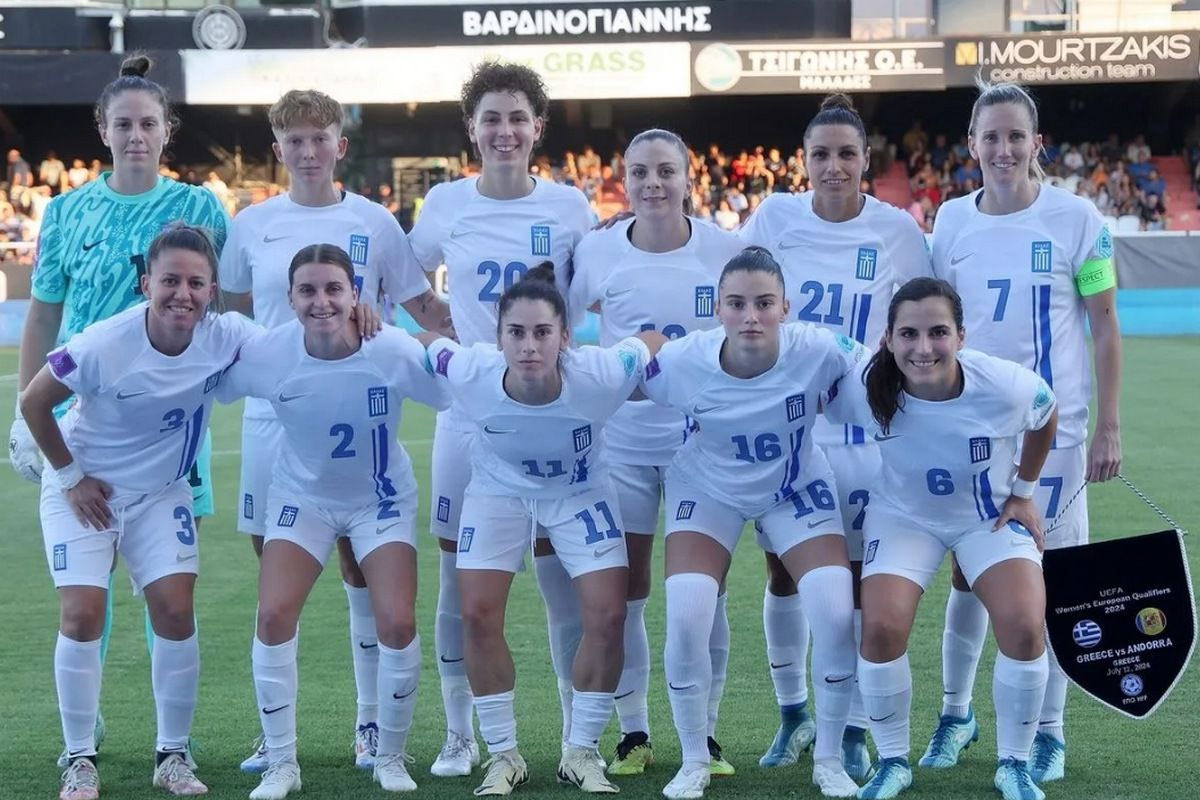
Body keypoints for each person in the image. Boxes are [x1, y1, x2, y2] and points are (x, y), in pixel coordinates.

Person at [219, 88, 452, 774]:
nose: (308, 151)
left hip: (353, 408)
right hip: (274, 416)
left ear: (340, 145)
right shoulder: (252, 224)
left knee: (360, 566)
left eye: (320, 138)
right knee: (276, 573)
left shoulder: (373, 222)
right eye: (295, 140)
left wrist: (495, 341)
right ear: (278, 149)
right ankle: (274, 735)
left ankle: (370, 722)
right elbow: (228, 316)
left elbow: (421, 305)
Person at [7, 55, 230, 768]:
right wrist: (25, 407)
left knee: (168, 588)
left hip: (172, 426)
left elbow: (227, 301)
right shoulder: (67, 211)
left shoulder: (200, 208)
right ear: (103, 130)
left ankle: (172, 742)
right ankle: (87, 725)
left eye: (149, 124)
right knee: (87, 589)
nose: (137, 136)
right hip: (83, 422)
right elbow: (44, 315)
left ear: (167, 131)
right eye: (124, 124)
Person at [927, 81, 1121, 786]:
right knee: (967, 574)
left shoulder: (1077, 217)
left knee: (1053, 581)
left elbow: (1104, 323)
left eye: (1016, 136)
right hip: (973, 432)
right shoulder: (950, 221)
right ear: (971, 144)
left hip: (1056, 436)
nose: (1003, 149)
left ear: (1037, 143)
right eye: (991, 136)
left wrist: (1108, 426)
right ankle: (956, 714)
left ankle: (1049, 732)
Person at [19, 224, 257, 800]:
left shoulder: (227, 335)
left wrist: (357, 318)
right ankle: (80, 758)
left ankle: (172, 755)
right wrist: (71, 478)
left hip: (161, 493)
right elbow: (33, 402)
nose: (183, 294)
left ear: (213, 289)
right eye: (170, 280)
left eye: (196, 283)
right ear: (147, 283)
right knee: (82, 613)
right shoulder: (105, 342)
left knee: (175, 609)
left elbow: (296, 347)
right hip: (86, 488)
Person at [406, 61, 594, 778]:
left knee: (559, 575)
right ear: (472, 128)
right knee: (458, 576)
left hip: (548, 415)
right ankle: (461, 735)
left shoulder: (570, 207)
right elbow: (404, 280)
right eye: (492, 118)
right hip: (469, 413)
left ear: (538, 127)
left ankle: (577, 739)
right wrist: (447, 328)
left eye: (518, 117)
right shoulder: (446, 204)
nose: (505, 131)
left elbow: (589, 296)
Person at [737, 93, 931, 778]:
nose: (834, 166)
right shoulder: (774, 219)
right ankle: (793, 711)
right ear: (804, 160)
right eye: (821, 154)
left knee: (851, 580)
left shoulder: (898, 232)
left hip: (868, 434)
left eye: (847, 153)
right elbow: (734, 290)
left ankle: (849, 726)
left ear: (866, 159)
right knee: (782, 571)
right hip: (792, 431)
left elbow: (924, 321)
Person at [418, 265, 657, 796]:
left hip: (580, 492)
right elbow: (427, 344)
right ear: (498, 338)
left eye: (543, 332)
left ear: (565, 337)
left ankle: (582, 751)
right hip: (497, 493)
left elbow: (649, 343)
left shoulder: (598, 373)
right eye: (517, 333)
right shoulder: (472, 370)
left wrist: (664, 380)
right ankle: (503, 755)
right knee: (476, 614)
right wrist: (366, 322)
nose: (529, 346)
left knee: (609, 615)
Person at [640, 247, 865, 800]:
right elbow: (609, 380)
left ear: (786, 307)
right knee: (688, 612)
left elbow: (883, 370)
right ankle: (694, 760)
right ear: (717, 308)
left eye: (764, 303)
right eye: (737, 304)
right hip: (706, 489)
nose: (750, 316)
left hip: (794, 488)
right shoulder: (685, 360)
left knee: (835, 609)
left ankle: (829, 759)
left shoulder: (819, 349)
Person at [822, 277, 1057, 800]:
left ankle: (1014, 763)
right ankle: (892, 761)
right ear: (888, 338)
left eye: (938, 332)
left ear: (961, 336)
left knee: (1024, 624)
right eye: (908, 333)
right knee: (880, 627)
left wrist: (1023, 492)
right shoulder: (864, 385)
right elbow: (806, 391)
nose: (923, 347)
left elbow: (1046, 413)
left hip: (984, 517)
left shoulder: (1001, 384)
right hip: (903, 518)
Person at [568, 128, 746, 778]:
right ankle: (634, 732)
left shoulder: (724, 250)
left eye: (666, 170)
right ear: (624, 180)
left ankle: (709, 733)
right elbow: (567, 329)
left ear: (688, 177)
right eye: (640, 172)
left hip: (703, 447)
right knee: (629, 588)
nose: (653, 183)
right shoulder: (598, 250)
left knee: (707, 591)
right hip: (624, 447)